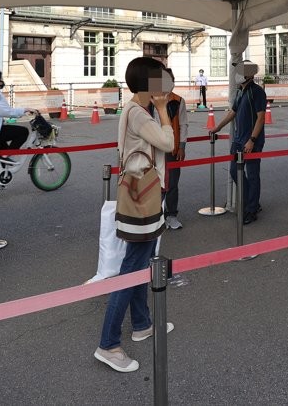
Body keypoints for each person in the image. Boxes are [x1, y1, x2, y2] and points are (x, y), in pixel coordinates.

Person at [95, 57, 174, 373]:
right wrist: (165, 109)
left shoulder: (136, 110)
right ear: (151, 83)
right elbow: (167, 142)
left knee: (140, 262)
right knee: (131, 268)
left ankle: (141, 324)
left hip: (141, 193)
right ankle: (108, 344)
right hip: (143, 197)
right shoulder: (140, 114)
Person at [210, 60, 267, 224]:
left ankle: (251, 209)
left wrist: (252, 140)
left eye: (241, 70)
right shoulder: (241, 91)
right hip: (238, 141)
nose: (237, 74)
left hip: (251, 142)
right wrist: (217, 127)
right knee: (235, 172)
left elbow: (261, 117)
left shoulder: (257, 92)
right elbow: (232, 113)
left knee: (253, 174)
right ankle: (252, 201)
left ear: (249, 73)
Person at [159, 68, 188, 230]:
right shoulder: (150, 100)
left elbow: (183, 124)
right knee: (156, 184)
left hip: (173, 149)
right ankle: (157, 216)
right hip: (154, 150)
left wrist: (182, 146)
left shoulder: (178, 101)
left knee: (172, 183)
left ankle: (171, 215)